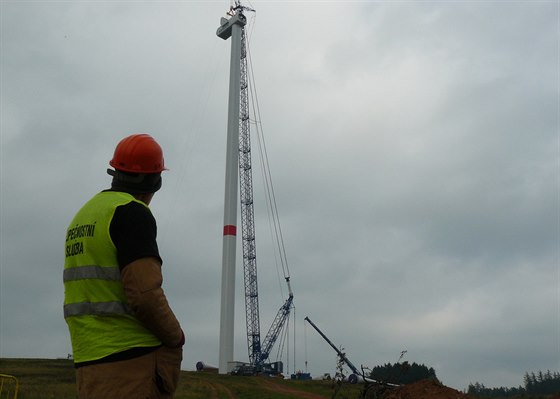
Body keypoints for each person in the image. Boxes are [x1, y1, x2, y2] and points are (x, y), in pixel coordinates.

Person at [63, 133, 185, 399]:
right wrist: (176, 337)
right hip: (131, 362)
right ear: (156, 182)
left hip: (89, 360)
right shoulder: (132, 213)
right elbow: (144, 295)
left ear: (115, 171)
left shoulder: (84, 216)